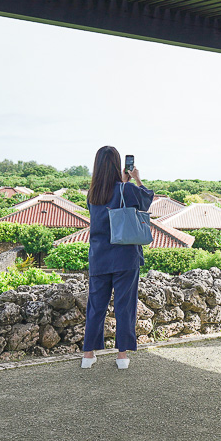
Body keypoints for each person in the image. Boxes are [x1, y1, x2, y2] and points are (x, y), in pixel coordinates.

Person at [81, 146, 154, 370]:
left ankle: (88, 356)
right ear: (117, 165)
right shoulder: (127, 189)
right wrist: (136, 179)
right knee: (124, 307)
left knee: (96, 307)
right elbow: (147, 200)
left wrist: (123, 183)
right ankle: (122, 357)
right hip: (125, 257)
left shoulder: (92, 194)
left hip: (99, 257)